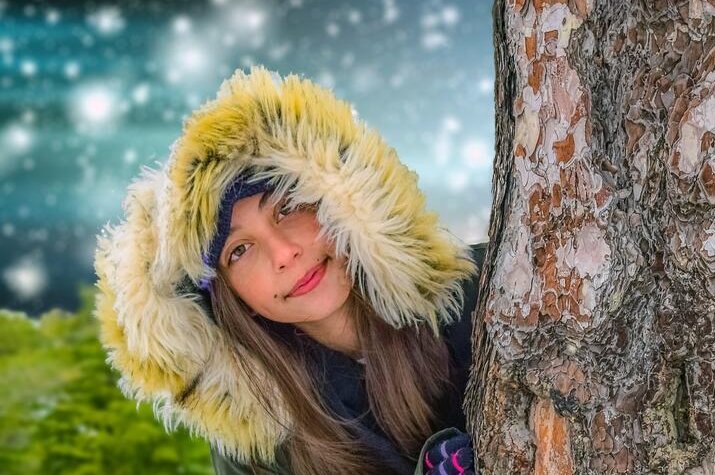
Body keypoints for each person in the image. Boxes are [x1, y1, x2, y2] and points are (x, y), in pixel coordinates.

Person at [94, 67, 482, 475]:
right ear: (226, 296)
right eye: (240, 250)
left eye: (287, 208)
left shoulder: (483, 291)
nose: (283, 252)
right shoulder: (257, 446)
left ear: (340, 201)